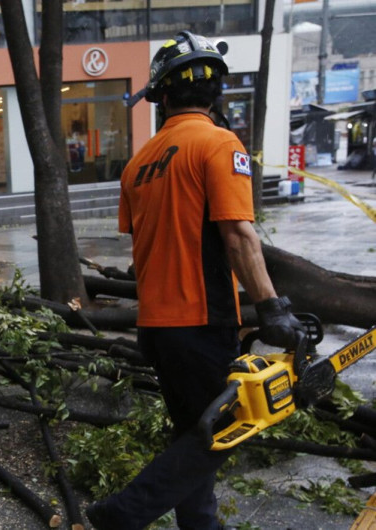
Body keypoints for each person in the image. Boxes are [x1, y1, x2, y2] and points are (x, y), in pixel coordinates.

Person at [87, 31, 305, 530]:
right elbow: (238, 237)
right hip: (202, 319)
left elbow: (141, 247)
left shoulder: (137, 164)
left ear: (162, 96)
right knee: (222, 430)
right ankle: (123, 513)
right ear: (216, 94)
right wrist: (272, 308)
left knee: (193, 430)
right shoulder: (219, 144)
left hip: (157, 327)